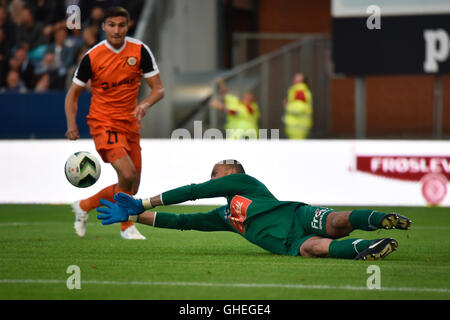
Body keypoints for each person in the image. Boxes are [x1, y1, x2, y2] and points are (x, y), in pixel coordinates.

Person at [96, 160, 412, 260]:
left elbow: (194, 192)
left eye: (217, 173)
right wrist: (135, 216)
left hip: (296, 215)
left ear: (233, 174)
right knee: (318, 247)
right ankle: (368, 248)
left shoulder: (245, 183)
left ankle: (382, 219)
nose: (213, 178)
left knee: (336, 221)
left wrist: (145, 202)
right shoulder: (224, 217)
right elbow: (182, 222)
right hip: (287, 244)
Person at [65, 6, 165, 240]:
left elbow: (158, 89)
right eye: (111, 25)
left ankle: (84, 205)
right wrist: (71, 124)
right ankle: (126, 226)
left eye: (121, 25)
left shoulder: (140, 51)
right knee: (127, 174)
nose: (116, 30)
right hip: (103, 122)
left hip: (130, 124)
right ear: (104, 27)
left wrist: (145, 104)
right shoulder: (93, 56)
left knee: (131, 186)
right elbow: (73, 94)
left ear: (128, 25)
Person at [283, 73, 313, 140]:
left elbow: (299, 108)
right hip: (299, 126)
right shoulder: (299, 90)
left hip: (297, 126)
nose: (294, 80)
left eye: (296, 79)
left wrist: (287, 106)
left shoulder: (299, 91)